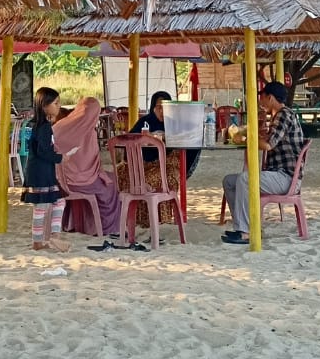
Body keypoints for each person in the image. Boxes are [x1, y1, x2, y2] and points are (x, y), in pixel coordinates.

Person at [221, 81, 305, 246]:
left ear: (270, 97)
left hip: (286, 178)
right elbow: (268, 139)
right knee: (229, 181)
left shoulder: (283, 115)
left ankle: (245, 232)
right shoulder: (277, 116)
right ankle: (246, 226)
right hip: (277, 174)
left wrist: (246, 137)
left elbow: (268, 145)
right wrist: (259, 129)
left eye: (262, 97)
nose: (260, 101)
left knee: (245, 179)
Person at [54, 97, 120, 236]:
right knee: (111, 184)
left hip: (58, 182)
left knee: (104, 180)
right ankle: (108, 228)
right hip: (81, 182)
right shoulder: (89, 133)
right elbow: (91, 166)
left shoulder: (58, 126)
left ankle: (74, 223)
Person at [22, 87, 67, 251]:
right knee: (43, 206)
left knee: (56, 202)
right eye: (55, 103)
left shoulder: (37, 124)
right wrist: (61, 158)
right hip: (40, 173)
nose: (59, 106)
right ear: (44, 105)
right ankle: (45, 240)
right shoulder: (44, 127)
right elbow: (43, 151)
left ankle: (48, 238)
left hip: (40, 171)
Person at [130, 90, 200, 176]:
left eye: (165, 107)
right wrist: (149, 137)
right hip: (146, 164)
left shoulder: (174, 122)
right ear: (153, 108)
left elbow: (188, 136)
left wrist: (164, 137)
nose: (162, 111)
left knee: (193, 148)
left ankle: (182, 175)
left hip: (168, 163)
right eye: (159, 107)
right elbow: (130, 137)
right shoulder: (145, 122)